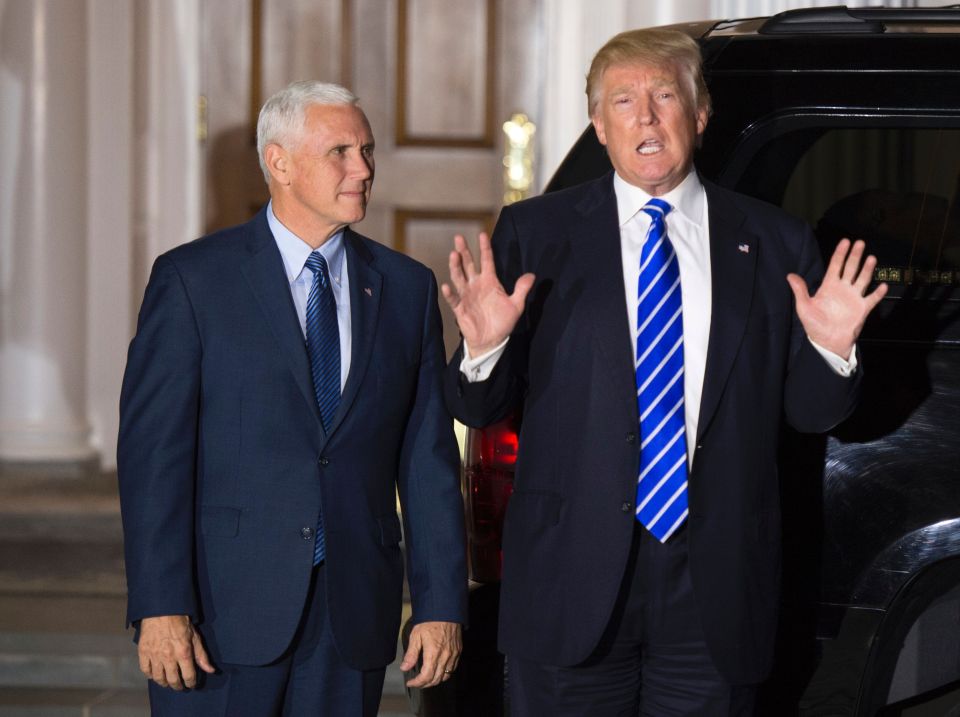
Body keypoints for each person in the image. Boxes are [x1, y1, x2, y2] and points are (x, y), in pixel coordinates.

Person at [441, 29, 887, 716]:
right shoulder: (535, 233)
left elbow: (811, 412)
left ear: (700, 115)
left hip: (713, 591)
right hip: (569, 583)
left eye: (664, 95)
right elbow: (481, 404)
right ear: (598, 123)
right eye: (623, 100)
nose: (645, 117)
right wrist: (483, 349)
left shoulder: (775, 240)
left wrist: (831, 349)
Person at [118, 80, 467, 716]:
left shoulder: (406, 288)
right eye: (340, 151)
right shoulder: (193, 281)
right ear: (279, 162)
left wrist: (440, 605)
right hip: (220, 618)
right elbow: (153, 458)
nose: (362, 169)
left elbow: (427, 463)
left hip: (352, 616)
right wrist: (159, 603)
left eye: (366, 151)